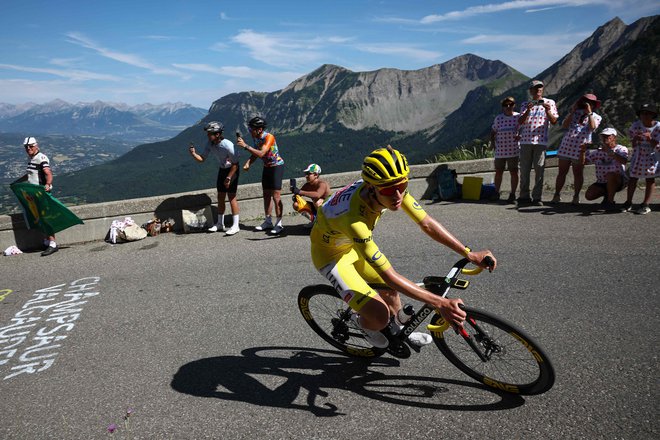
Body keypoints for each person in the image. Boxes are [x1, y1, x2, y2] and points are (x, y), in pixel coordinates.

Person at [309, 145, 496, 348]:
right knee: (380, 316)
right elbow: (390, 275)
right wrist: (440, 303)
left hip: (351, 245)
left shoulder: (388, 186)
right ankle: (362, 323)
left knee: (390, 291)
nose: (398, 195)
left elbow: (426, 223)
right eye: (390, 190)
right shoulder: (355, 221)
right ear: (372, 188)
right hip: (331, 258)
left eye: (403, 185)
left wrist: (468, 253)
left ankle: (400, 331)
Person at [189, 121, 241, 235]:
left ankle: (236, 225)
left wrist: (228, 177)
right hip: (222, 169)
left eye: (210, 133)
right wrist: (193, 154)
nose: (208, 135)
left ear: (217, 134)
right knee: (220, 197)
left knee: (231, 197)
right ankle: (220, 224)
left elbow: (236, 164)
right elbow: (202, 159)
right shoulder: (210, 143)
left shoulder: (228, 145)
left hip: (232, 170)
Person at [236, 117, 286, 235]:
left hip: (276, 166)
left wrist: (245, 146)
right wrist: (249, 162)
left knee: (276, 196)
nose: (249, 130)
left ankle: (279, 224)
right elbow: (256, 153)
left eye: (251, 128)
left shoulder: (269, 137)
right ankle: (268, 221)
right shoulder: (256, 137)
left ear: (259, 129)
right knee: (266, 194)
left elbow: (262, 152)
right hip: (267, 167)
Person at [552, 94, 602, 205]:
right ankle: (556, 194)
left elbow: (593, 127)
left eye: (589, 103)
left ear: (594, 105)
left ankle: (576, 196)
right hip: (566, 146)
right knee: (561, 173)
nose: (586, 104)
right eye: (585, 102)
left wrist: (589, 113)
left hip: (580, 149)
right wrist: (572, 111)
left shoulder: (597, 117)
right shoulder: (575, 113)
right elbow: (564, 125)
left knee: (578, 174)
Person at [517, 80, 559, 206]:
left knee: (539, 170)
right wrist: (528, 110)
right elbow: (520, 121)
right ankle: (524, 196)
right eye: (535, 88)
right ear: (531, 91)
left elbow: (554, 120)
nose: (538, 90)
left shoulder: (550, 103)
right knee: (524, 170)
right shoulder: (525, 104)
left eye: (540, 88)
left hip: (541, 142)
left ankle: (537, 197)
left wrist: (547, 111)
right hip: (525, 141)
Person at [21, 137, 58, 256]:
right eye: (26, 147)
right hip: (34, 194)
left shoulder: (41, 158)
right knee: (40, 218)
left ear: (37, 146)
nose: (28, 148)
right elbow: (30, 175)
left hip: (41, 193)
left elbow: (48, 172)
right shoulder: (31, 159)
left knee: (46, 218)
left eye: (31, 146)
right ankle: (47, 241)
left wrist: (48, 184)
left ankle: (53, 244)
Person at [622, 103, 659, 215]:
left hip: (652, 156)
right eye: (642, 113)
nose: (645, 115)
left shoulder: (658, 127)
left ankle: (645, 204)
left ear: (653, 115)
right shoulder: (636, 126)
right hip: (638, 156)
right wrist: (635, 139)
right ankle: (628, 202)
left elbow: (658, 147)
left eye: (648, 113)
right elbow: (633, 144)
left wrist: (650, 139)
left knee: (650, 179)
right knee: (633, 178)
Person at [580, 128, 628, 212]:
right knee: (589, 196)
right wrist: (582, 151)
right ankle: (607, 195)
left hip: (619, 180)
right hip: (602, 182)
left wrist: (610, 152)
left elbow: (623, 161)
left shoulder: (621, 149)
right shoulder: (597, 152)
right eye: (603, 136)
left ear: (614, 137)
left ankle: (610, 202)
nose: (605, 138)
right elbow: (583, 163)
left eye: (608, 136)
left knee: (611, 175)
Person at [489, 96, 520, 203]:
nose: (508, 107)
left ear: (514, 105)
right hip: (500, 150)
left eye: (510, 104)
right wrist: (492, 143)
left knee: (514, 172)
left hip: (514, 150)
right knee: (498, 172)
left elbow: (523, 130)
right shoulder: (498, 118)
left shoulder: (518, 117)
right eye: (505, 105)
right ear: (502, 107)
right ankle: (496, 192)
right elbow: (493, 131)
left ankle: (512, 194)